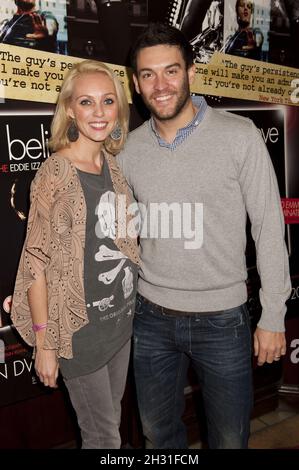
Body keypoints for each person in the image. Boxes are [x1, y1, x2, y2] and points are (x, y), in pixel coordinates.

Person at [117, 22, 291, 449]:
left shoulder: (239, 137)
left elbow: (269, 228)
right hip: (151, 316)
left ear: (191, 73)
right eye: (148, 74)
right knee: (159, 436)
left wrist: (272, 315)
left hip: (223, 319)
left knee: (230, 439)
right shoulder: (127, 150)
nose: (160, 85)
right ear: (136, 84)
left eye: (171, 71)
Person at [11, 59, 140, 449]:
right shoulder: (55, 173)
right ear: (70, 108)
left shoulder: (112, 167)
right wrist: (45, 344)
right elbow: (36, 264)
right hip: (78, 335)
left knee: (110, 425)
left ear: (119, 107)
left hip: (120, 324)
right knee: (103, 439)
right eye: (87, 102)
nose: (98, 113)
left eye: (107, 101)